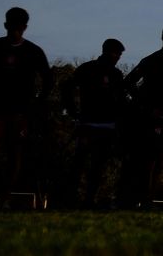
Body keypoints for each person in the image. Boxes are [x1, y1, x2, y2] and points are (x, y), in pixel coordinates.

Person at [0, 7, 53, 207]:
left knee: (14, 154)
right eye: (12, 27)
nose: (15, 31)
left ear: (24, 27)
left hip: (20, 111)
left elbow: (48, 79)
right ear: (6, 25)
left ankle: (3, 198)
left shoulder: (33, 51)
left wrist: (39, 101)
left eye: (19, 27)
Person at [122, 24, 163, 208]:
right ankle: (142, 198)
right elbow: (129, 82)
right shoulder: (151, 61)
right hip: (151, 121)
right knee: (148, 160)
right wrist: (147, 107)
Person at [61, 38, 125, 208]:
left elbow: (121, 101)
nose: (117, 57)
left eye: (119, 54)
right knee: (80, 163)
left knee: (98, 164)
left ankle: (89, 199)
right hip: (88, 124)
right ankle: (71, 198)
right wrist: (72, 110)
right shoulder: (87, 69)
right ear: (106, 51)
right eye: (116, 53)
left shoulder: (116, 74)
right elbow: (67, 87)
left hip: (107, 126)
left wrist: (118, 121)